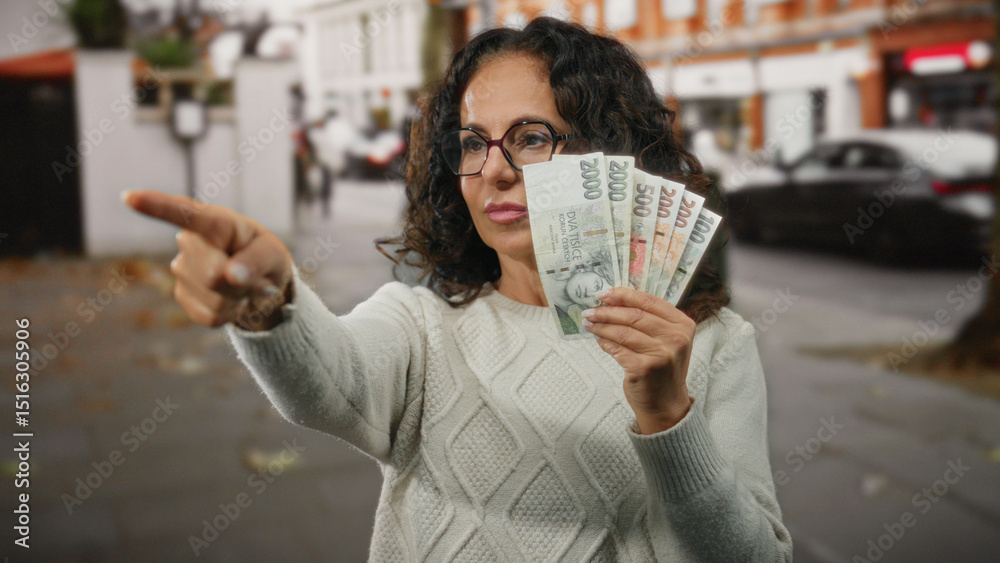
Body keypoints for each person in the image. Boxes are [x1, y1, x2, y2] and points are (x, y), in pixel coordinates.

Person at [123, 17, 792, 562]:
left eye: (531, 137)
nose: (492, 170)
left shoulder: (714, 346)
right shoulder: (421, 327)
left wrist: (670, 416)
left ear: (610, 154)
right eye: (473, 142)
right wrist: (270, 299)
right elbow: (328, 380)